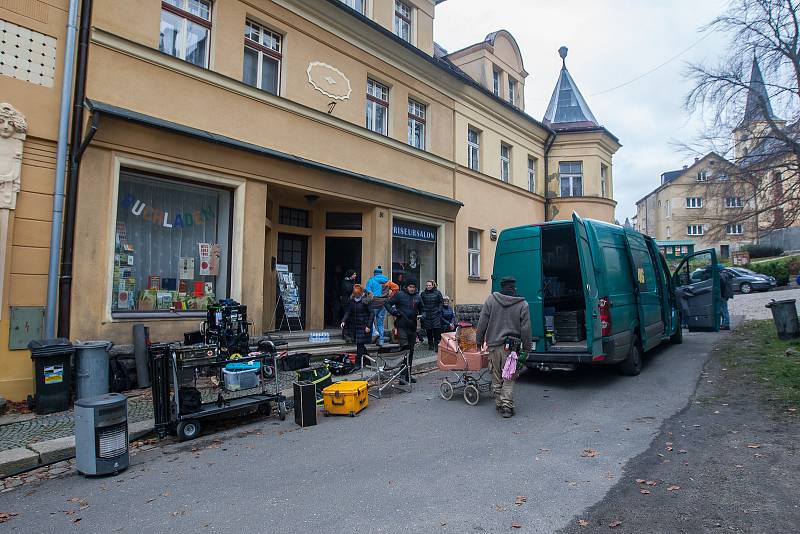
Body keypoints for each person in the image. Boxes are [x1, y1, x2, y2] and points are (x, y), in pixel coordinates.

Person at [476, 276, 532, 418]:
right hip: (512, 348)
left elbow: (482, 321)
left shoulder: (491, 300)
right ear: (514, 287)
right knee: (509, 376)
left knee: (496, 376)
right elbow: (526, 328)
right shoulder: (522, 304)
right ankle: (507, 405)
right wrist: (527, 348)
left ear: (501, 286)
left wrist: (479, 339)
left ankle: (499, 403)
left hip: (494, 345)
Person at [384, 278, 422, 383]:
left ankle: (408, 374)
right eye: (410, 287)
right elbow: (387, 304)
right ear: (407, 287)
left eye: (414, 287)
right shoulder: (400, 295)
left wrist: (423, 316)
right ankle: (402, 375)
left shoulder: (418, 297)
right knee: (404, 349)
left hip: (412, 327)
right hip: (401, 326)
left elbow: (423, 310)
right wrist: (394, 312)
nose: (412, 289)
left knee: (411, 351)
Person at [341, 284, 374, 369]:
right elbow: (348, 312)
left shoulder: (366, 301)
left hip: (364, 326)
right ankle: (368, 362)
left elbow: (372, 314)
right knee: (361, 345)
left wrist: (369, 326)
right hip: (355, 326)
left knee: (359, 345)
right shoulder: (352, 301)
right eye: (355, 294)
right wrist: (343, 321)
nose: (356, 296)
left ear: (361, 293)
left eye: (358, 294)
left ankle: (358, 363)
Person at [365, 266, 389, 345]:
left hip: (374, 303)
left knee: (371, 320)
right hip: (384, 304)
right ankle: (381, 340)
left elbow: (367, 292)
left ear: (374, 273)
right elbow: (394, 289)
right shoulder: (387, 280)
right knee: (380, 323)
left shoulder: (371, 280)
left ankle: (372, 336)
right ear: (381, 273)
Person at [420, 280, 444, 350]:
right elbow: (421, 304)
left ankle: (436, 345)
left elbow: (441, 302)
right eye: (427, 285)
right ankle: (430, 344)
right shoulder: (423, 294)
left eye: (429, 285)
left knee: (436, 330)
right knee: (428, 331)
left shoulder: (438, 293)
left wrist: (439, 310)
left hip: (435, 313)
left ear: (433, 285)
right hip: (427, 314)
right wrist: (422, 311)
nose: (428, 287)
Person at [340, 269, 358, 340]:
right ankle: (345, 334)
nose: (355, 275)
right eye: (354, 274)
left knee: (351, 319)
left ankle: (351, 334)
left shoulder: (352, 281)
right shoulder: (345, 282)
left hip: (351, 302)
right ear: (350, 275)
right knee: (346, 318)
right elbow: (348, 290)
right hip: (346, 302)